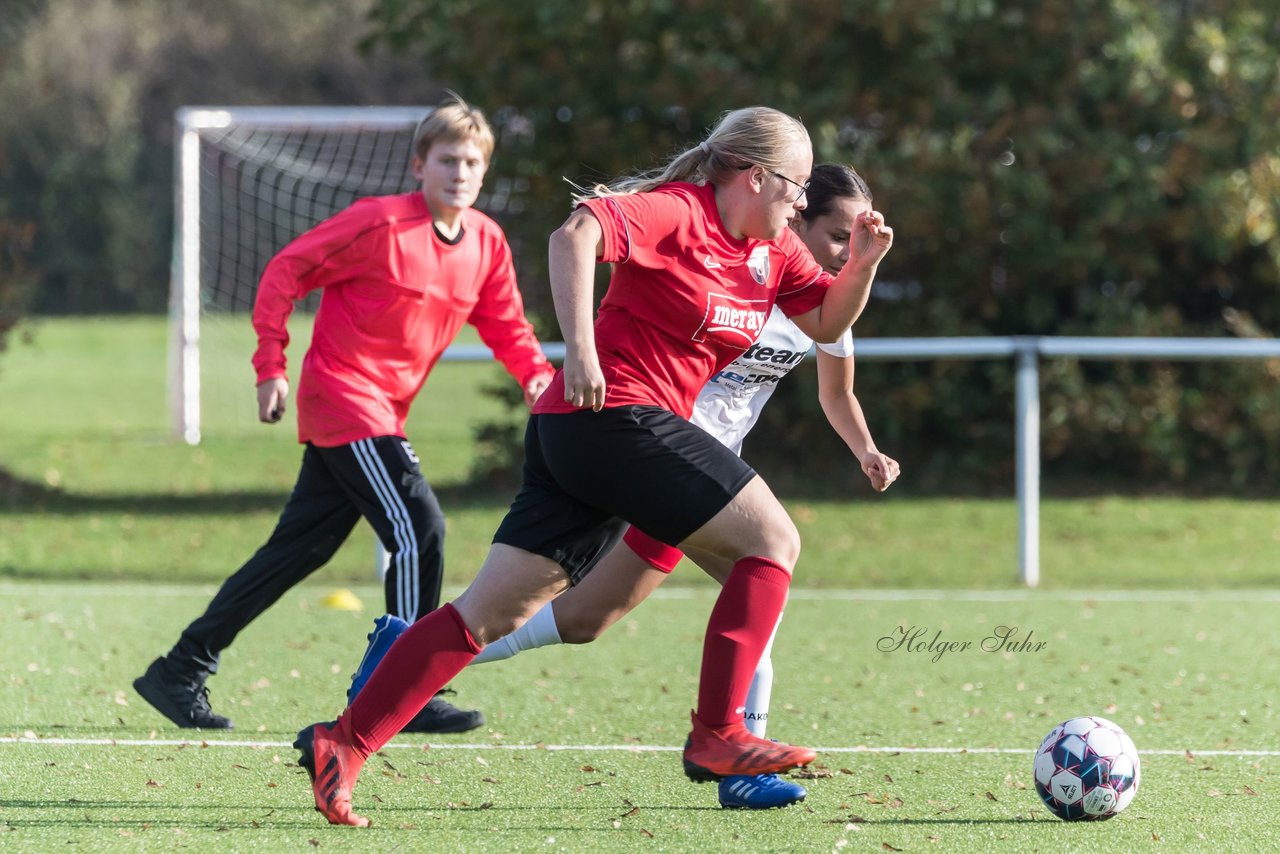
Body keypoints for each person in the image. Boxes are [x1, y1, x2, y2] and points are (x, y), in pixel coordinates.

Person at [294, 106, 894, 827]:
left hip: (589, 436)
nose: (801, 204)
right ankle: (719, 736)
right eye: (796, 187)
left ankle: (343, 742)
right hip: (610, 418)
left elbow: (829, 323)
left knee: (490, 614)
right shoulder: (678, 211)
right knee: (773, 543)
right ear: (756, 177)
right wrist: (578, 348)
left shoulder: (774, 255)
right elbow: (573, 235)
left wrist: (860, 264)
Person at [464, 164, 900, 810]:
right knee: (763, 577)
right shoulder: (735, 268)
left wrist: (866, 449)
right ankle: (737, 758)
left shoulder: (824, 305)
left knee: (585, 617)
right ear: (794, 213)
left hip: (711, 476)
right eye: (835, 235)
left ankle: (418, 645)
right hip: (660, 458)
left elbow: (838, 393)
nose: (842, 250)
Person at [132, 93, 555, 735]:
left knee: (295, 553)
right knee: (420, 528)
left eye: (473, 162)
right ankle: (405, 689)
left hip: (384, 412)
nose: (461, 172)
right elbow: (285, 271)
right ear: (420, 166)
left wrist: (536, 378)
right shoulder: (379, 223)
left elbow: (507, 325)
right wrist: (270, 366)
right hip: (344, 398)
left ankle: (180, 667)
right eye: (448, 159)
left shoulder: (487, 244)